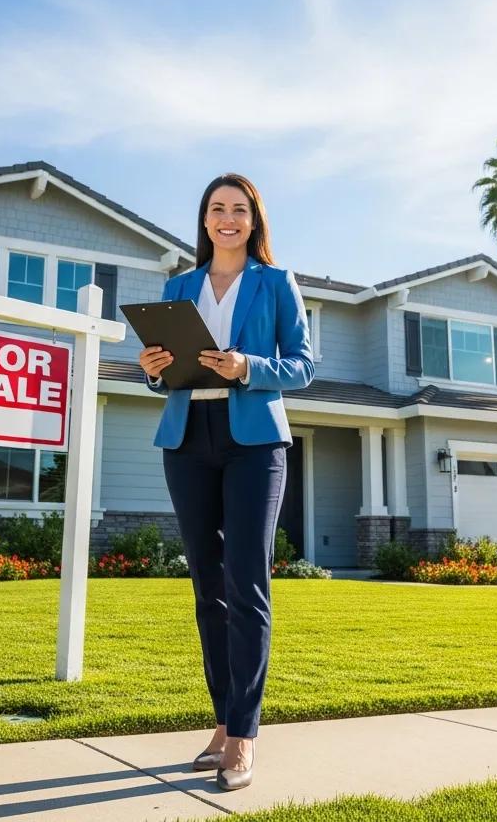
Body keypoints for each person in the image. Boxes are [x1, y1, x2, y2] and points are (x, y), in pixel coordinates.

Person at [138, 172, 314, 791]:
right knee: (207, 587)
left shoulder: (274, 282)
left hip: (254, 442)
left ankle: (245, 737)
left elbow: (304, 365)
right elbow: (160, 377)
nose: (228, 219)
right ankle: (221, 724)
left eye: (239, 209)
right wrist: (153, 369)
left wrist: (248, 366)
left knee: (247, 584)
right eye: (217, 209)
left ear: (254, 219)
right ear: (205, 219)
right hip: (187, 440)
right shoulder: (179, 286)